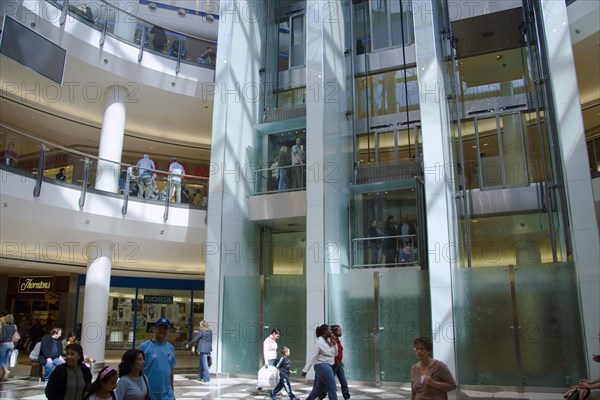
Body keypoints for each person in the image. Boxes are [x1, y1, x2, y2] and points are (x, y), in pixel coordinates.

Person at [139, 317, 176, 400]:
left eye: (165, 328)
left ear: (168, 330)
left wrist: (172, 390)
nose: (162, 330)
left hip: (167, 393)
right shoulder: (144, 347)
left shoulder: (170, 348)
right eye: (160, 327)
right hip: (149, 392)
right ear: (155, 328)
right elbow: (137, 370)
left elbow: (171, 370)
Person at [302, 324, 338, 400]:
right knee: (332, 387)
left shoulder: (329, 341)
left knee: (319, 389)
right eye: (330, 330)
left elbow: (335, 354)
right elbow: (312, 357)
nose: (331, 331)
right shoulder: (319, 343)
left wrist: (334, 344)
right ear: (325, 331)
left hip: (328, 365)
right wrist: (305, 370)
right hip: (321, 365)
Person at [257, 328, 281, 392]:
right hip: (270, 360)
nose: (278, 337)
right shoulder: (267, 341)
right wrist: (266, 361)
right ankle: (260, 387)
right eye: (277, 336)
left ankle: (277, 389)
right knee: (269, 374)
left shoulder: (273, 340)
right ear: (273, 334)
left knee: (276, 374)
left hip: (274, 359)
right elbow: (265, 351)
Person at [330, 325, 350, 400]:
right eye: (339, 330)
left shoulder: (337, 340)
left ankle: (346, 397)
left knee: (343, 382)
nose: (341, 331)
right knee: (330, 382)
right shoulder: (333, 340)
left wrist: (340, 362)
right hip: (333, 365)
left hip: (338, 364)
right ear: (334, 332)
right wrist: (336, 361)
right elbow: (331, 353)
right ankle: (320, 396)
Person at [0, 314, 17, 380]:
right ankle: (4, 376)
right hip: (11, 344)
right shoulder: (14, 326)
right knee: (7, 360)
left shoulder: (4, 326)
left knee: (1, 360)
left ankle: (6, 371)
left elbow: (3, 337)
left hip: (4, 344)